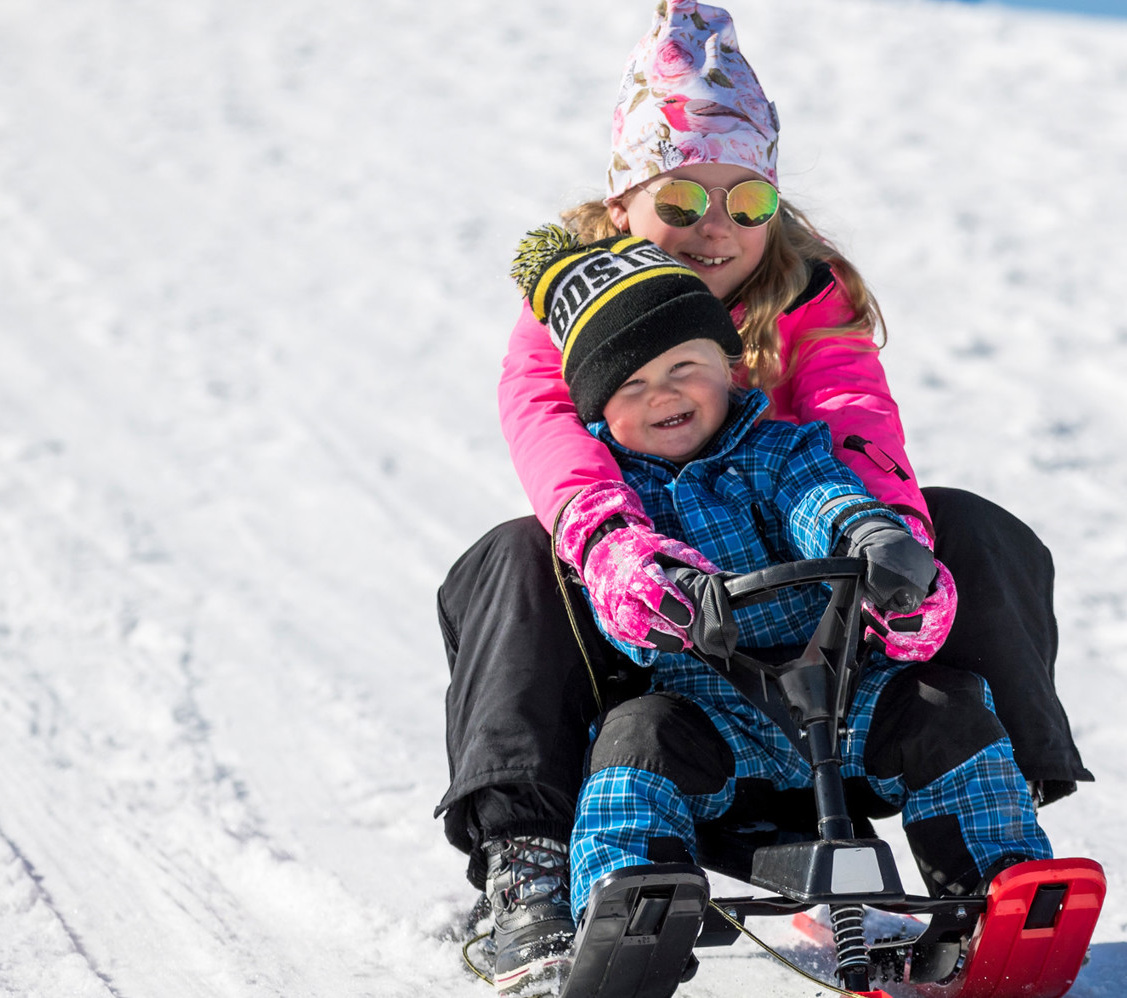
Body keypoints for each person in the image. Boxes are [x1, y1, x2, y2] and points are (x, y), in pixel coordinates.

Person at [434, 2, 1088, 992]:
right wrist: (625, 560)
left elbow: (852, 444)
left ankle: (995, 853)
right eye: (682, 196)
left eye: (745, 201)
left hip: (834, 655)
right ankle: (536, 868)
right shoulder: (566, 319)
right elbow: (559, 455)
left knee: (973, 530)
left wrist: (892, 551)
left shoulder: (807, 302)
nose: (714, 225)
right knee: (515, 554)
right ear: (625, 202)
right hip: (668, 649)